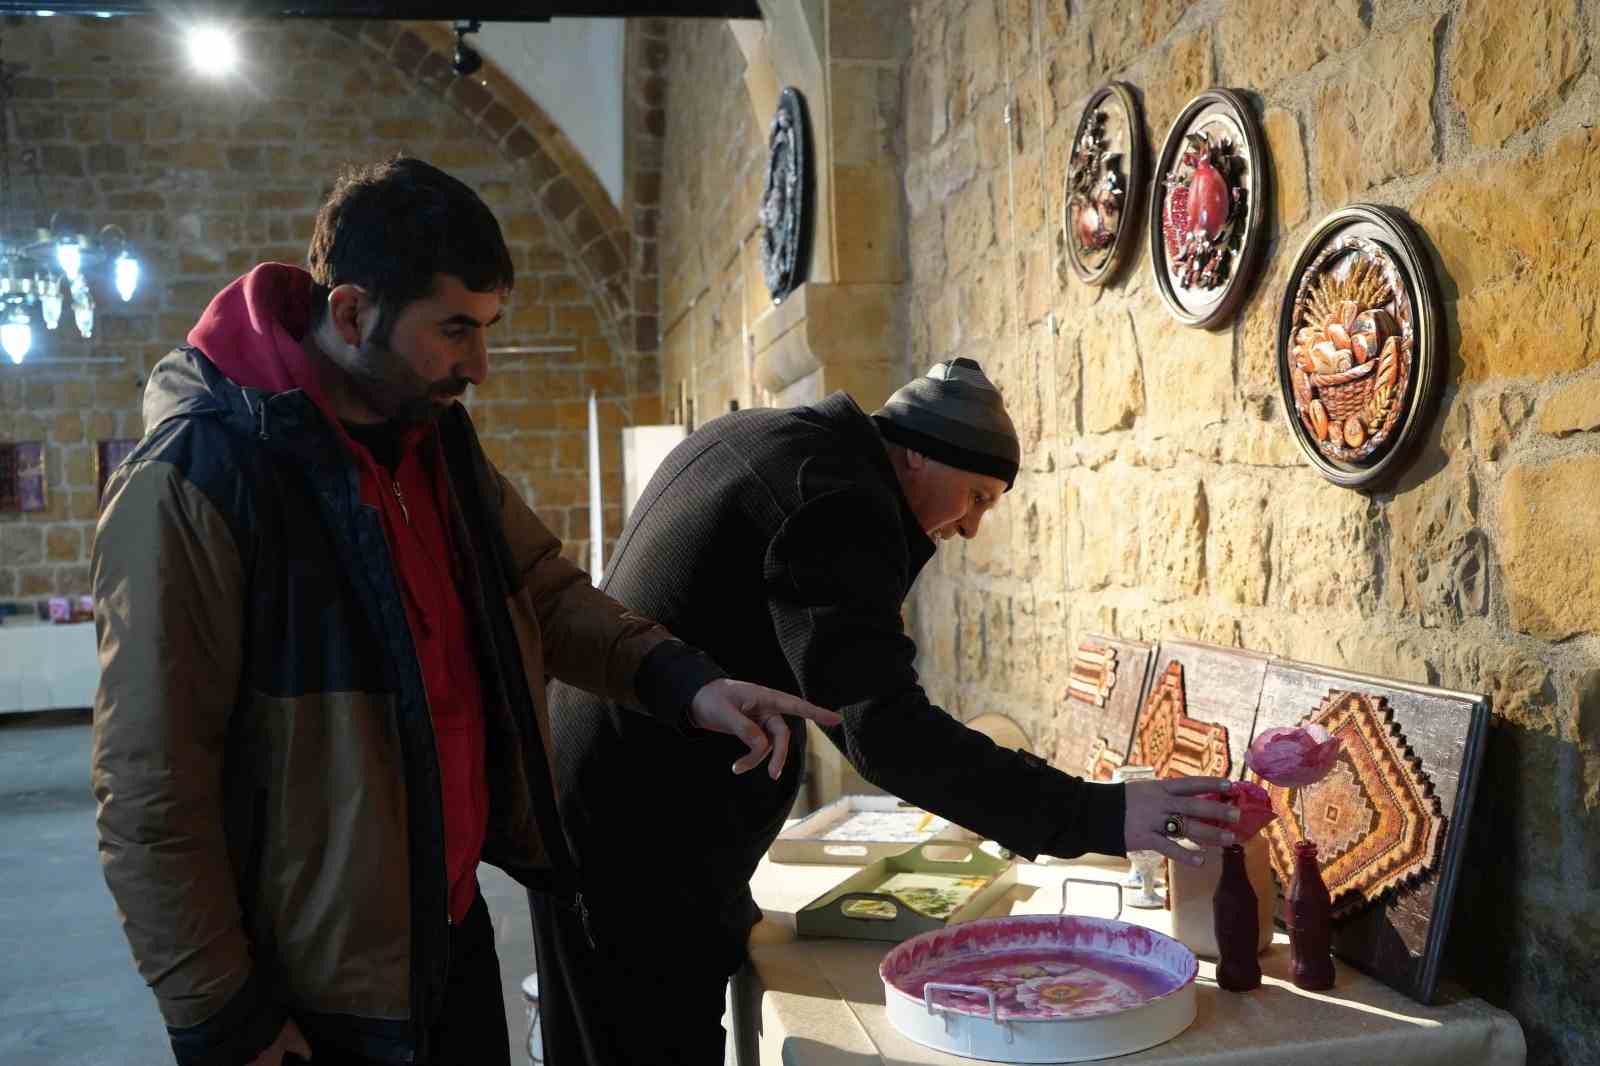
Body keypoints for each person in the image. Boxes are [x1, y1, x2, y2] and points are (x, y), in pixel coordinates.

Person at [89, 157, 840, 1066]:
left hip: (445, 933)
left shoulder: (434, 440)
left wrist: (688, 683)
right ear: (351, 314)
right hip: (313, 990)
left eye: (488, 329)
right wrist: (219, 1014)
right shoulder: (198, 481)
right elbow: (150, 786)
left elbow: (544, 591)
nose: (479, 365)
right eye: (454, 330)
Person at [533, 357, 1241, 1063]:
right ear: (914, 457)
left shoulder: (775, 439)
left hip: (596, 797)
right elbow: (885, 731)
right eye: (978, 497)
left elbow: (831, 688)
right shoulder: (835, 501)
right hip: (636, 838)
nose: (969, 528)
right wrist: (1104, 815)